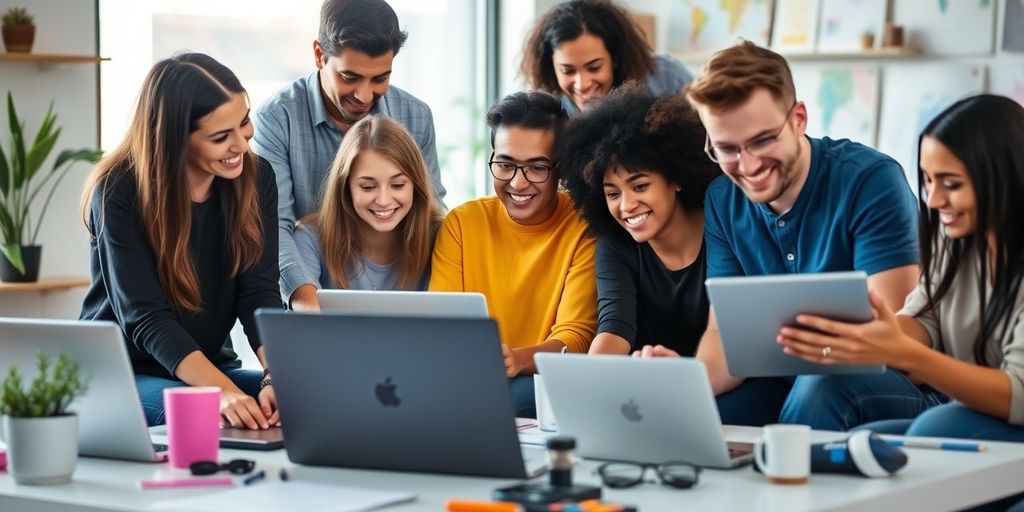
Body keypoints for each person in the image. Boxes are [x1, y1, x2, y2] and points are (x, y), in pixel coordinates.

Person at [638, 40, 927, 428]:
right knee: (693, 420)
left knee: (820, 388)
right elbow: (725, 334)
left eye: (762, 140)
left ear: (799, 119)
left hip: (885, 382)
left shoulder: (870, 180)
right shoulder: (722, 199)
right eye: (727, 149)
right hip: (786, 384)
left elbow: (892, 337)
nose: (749, 165)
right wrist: (691, 380)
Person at [776, 94, 1024, 441]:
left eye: (951, 184)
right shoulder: (955, 240)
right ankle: (794, 487)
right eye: (928, 180)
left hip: (1009, 416)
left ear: (1005, 177)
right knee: (863, 439)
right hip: (972, 413)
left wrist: (904, 352)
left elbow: (1018, 394)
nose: (934, 200)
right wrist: (865, 336)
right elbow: (925, 319)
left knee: (934, 427)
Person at [80, 53, 284, 429]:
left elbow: (259, 293)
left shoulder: (256, 179)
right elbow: (147, 319)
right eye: (221, 137)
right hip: (121, 375)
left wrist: (277, 375)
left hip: (206, 369)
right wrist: (223, 392)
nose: (241, 144)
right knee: (210, 415)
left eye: (244, 123)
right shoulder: (118, 191)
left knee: (307, 399)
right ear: (174, 140)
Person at [252, 0, 446, 312]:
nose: (364, 95)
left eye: (380, 78)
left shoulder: (416, 116)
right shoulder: (277, 118)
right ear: (319, 55)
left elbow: (431, 211)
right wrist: (309, 308)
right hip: (316, 287)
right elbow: (275, 226)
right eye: (349, 77)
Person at [429, 91, 597, 417]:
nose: (518, 184)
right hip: (469, 378)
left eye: (536, 167)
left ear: (560, 169)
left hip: (539, 382)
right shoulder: (463, 223)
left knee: (521, 394)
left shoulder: (583, 227)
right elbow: (443, 322)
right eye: (505, 165)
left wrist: (519, 359)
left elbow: (575, 337)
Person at [559, 84, 719, 356]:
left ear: (676, 178)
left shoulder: (721, 229)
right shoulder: (616, 244)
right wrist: (588, 379)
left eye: (640, 186)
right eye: (612, 193)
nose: (627, 205)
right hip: (647, 383)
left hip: (721, 379)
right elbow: (613, 327)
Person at [293, 115, 442, 308]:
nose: (383, 200)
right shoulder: (310, 240)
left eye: (397, 185)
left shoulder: (441, 236)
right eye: (367, 187)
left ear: (415, 185)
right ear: (346, 187)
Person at [520, 0, 692, 115]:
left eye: (594, 68)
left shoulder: (666, 77)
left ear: (615, 57)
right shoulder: (550, 110)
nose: (582, 84)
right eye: (567, 70)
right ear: (551, 66)